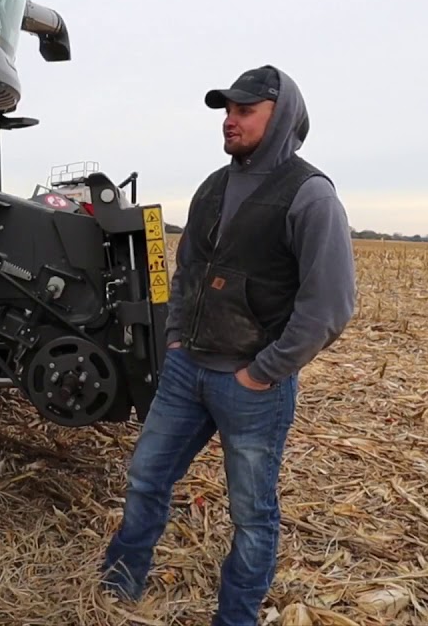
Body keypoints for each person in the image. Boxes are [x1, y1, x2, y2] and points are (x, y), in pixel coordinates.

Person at [101, 65, 357, 625]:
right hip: (186, 371)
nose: (229, 120)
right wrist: (174, 338)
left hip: (251, 386)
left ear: (280, 116)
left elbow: (330, 305)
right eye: (227, 110)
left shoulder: (310, 195)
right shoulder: (213, 187)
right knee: (145, 477)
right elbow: (188, 269)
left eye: (245, 110)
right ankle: (118, 584)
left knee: (251, 515)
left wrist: (264, 371)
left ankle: (235, 617)